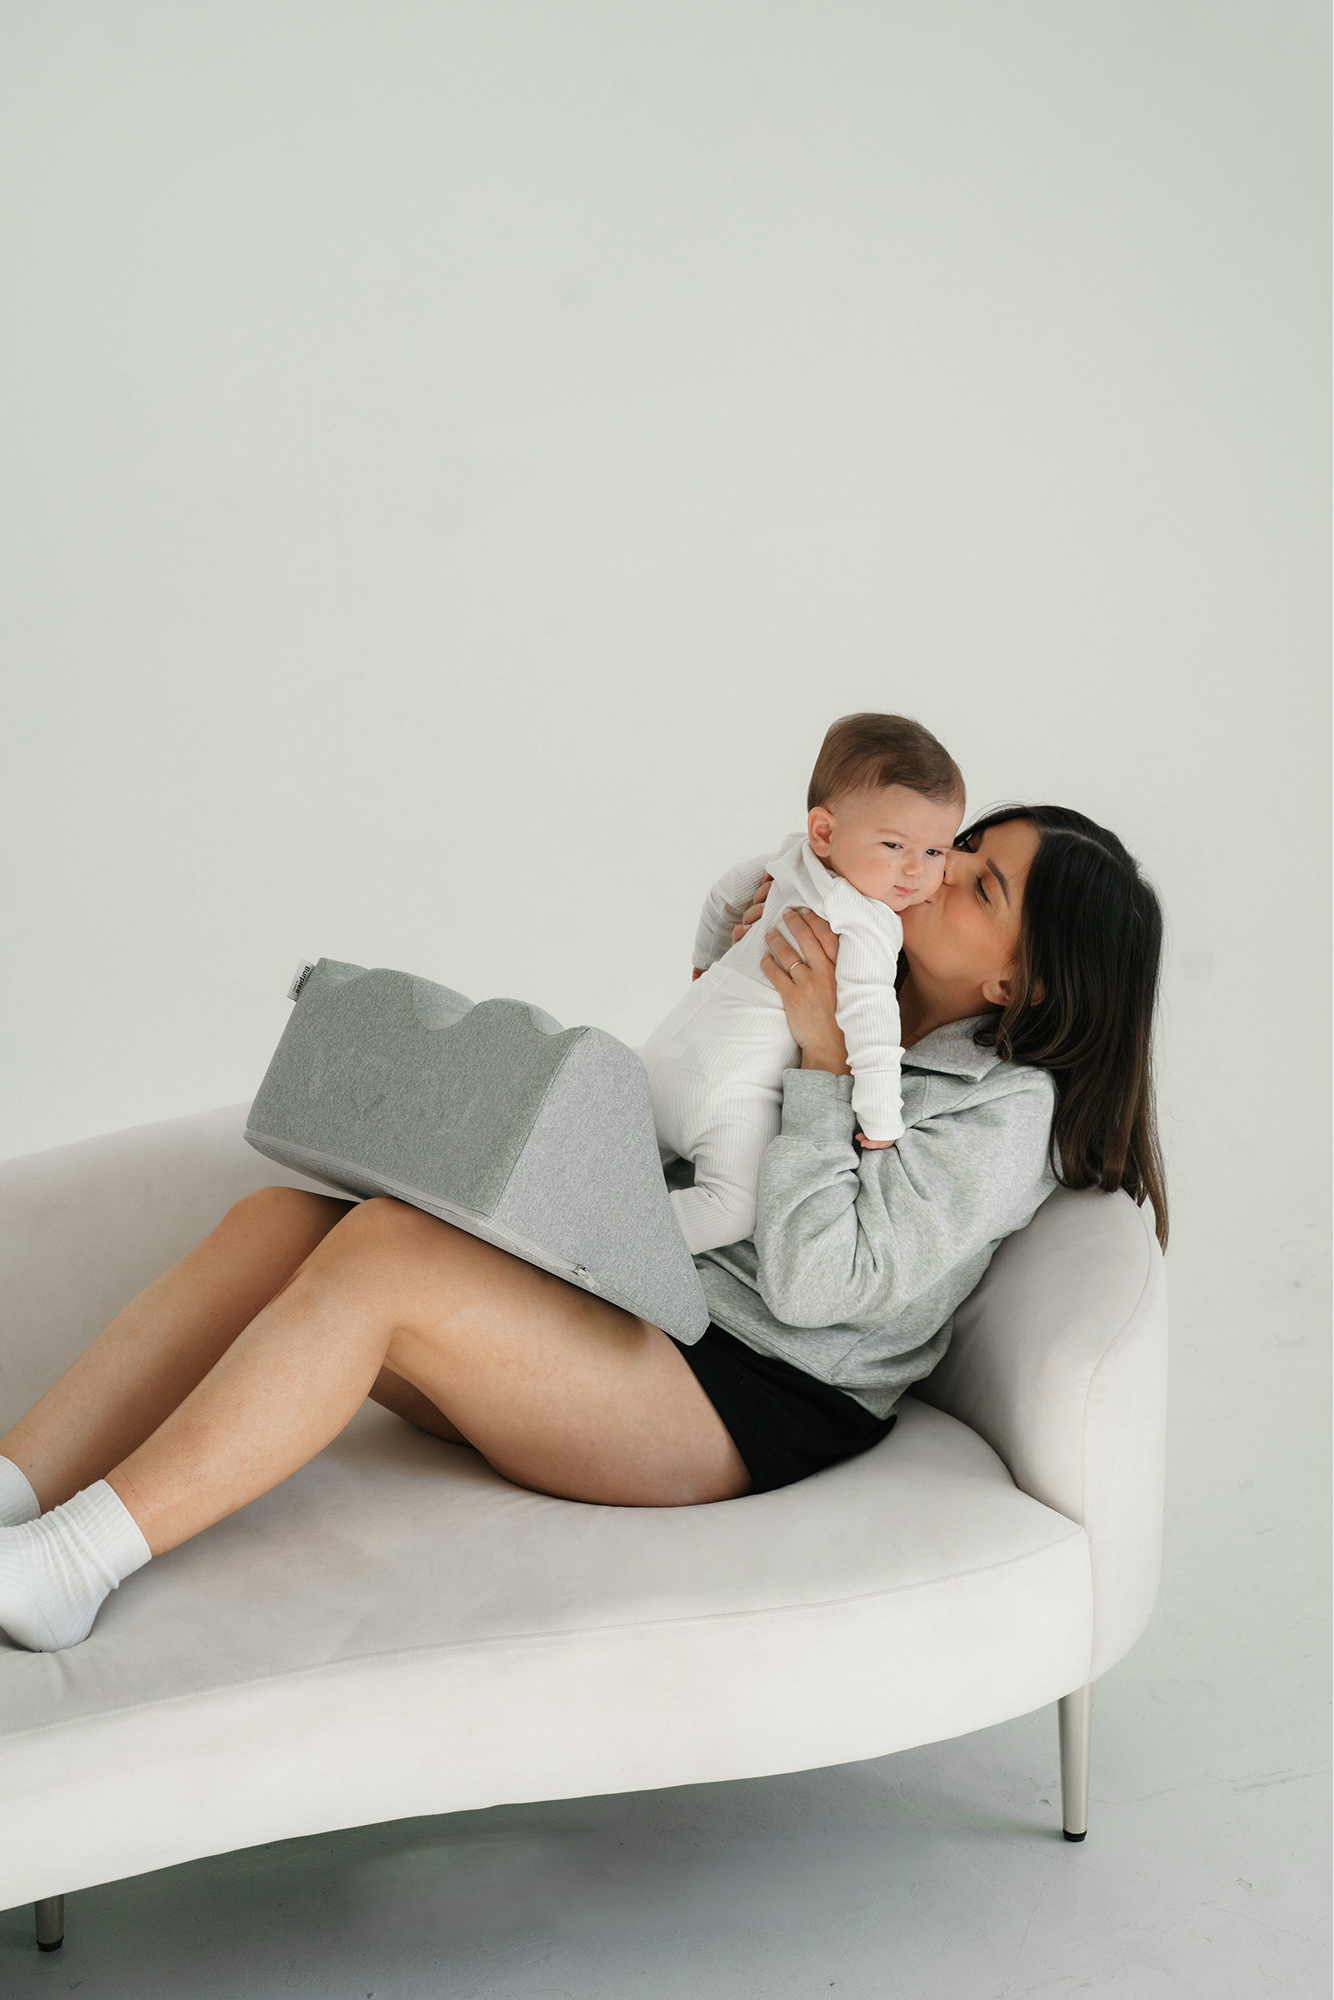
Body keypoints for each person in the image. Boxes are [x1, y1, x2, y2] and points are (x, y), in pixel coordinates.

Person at [0, 805, 1167, 1653]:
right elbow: (692, 1107)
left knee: (382, 1258)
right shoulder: (857, 971)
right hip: (647, 1292)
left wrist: (818, 1065)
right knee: (277, 1225)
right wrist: (739, 981)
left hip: (743, 1395)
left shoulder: (1004, 1117)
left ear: (1025, 986)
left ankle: (71, 1564)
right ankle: (14, 1487)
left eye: (981, 884)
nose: (942, 865)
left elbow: (820, 1283)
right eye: (966, 846)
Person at [640, 713, 965, 1253]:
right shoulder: (867, 921)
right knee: (731, 1209)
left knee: (613, 1158)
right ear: (825, 831)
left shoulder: (792, 858)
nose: (916, 871)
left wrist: (708, 961)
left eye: (934, 852)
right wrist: (882, 1116)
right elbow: (872, 1021)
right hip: (729, 1093)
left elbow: (726, 892)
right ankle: (607, 1241)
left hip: (664, 1052)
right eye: (894, 846)